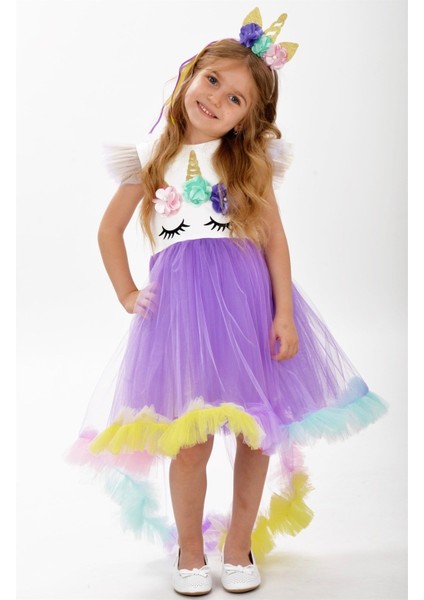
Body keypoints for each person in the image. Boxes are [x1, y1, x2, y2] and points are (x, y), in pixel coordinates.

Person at [66, 7, 388, 596]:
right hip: (181, 316)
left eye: (235, 98)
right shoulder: (150, 155)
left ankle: (238, 546)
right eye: (212, 80)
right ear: (190, 73)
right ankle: (191, 550)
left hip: (247, 306)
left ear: (246, 120)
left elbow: (275, 239)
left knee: (254, 431)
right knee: (189, 442)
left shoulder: (249, 163)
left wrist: (283, 312)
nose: (216, 99)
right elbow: (108, 230)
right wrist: (128, 292)